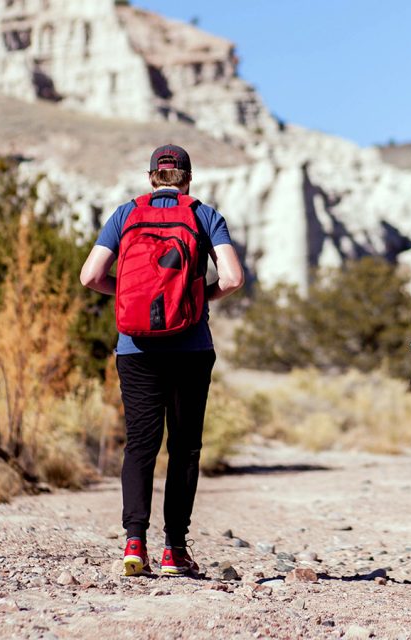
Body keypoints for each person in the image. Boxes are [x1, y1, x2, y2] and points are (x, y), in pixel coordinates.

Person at [80, 144, 244, 576]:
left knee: (140, 445)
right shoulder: (204, 216)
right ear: (187, 178)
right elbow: (232, 278)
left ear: (151, 177)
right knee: (185, 447)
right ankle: (174, 549)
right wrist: (197, 298)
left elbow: (90, 276)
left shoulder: (125, 215)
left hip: (136, 348)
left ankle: (135, 543)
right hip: (191, 347)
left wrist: (130, 297)